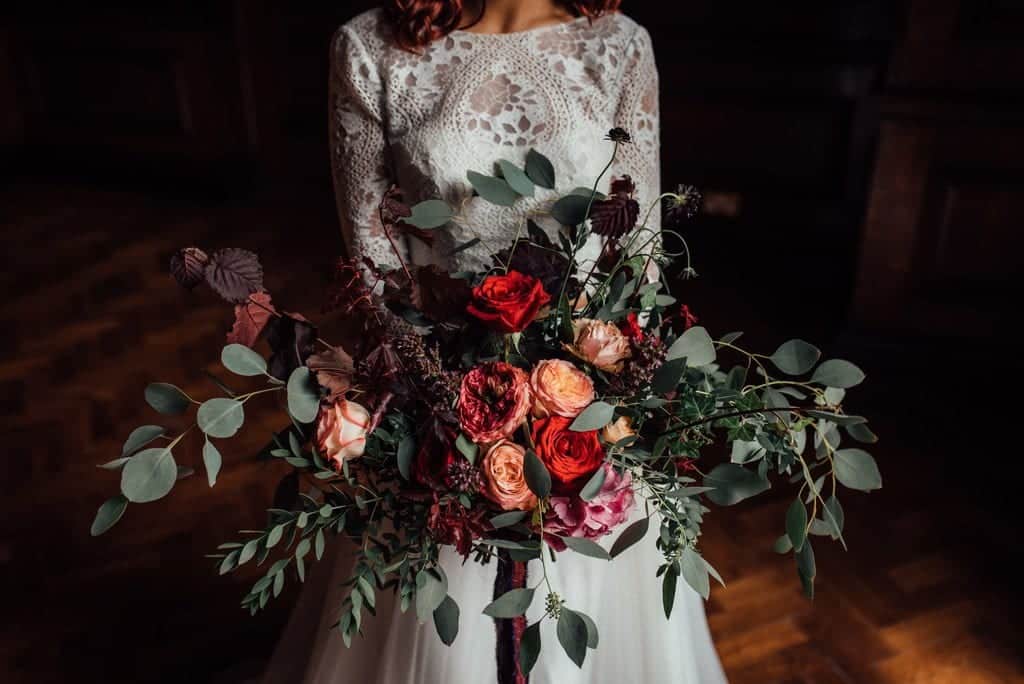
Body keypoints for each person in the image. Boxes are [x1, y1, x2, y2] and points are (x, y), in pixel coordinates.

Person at [262, 1, 728, 681]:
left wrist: (599, 392)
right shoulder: (369, 48)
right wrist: (455, 407)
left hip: (588, 395)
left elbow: (639, 249)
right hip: (441, 398)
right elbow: (375, 268)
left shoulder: (620, 45)